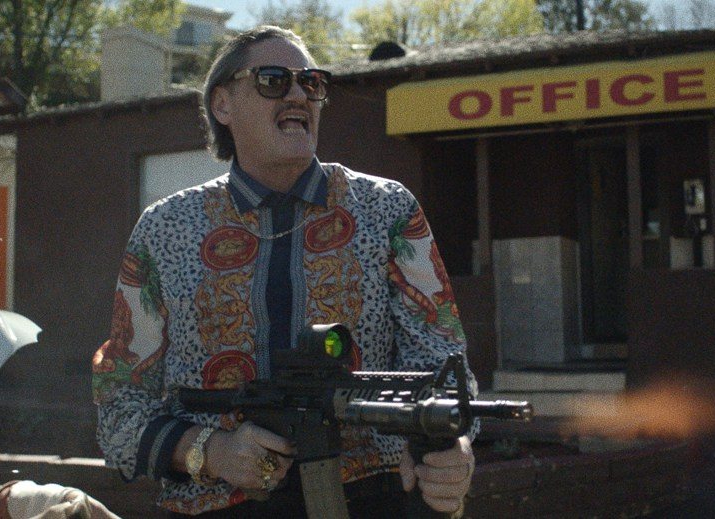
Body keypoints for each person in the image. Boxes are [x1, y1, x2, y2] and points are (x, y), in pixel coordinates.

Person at [92, 25, 478, 517]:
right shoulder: (165, 228)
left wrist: (450, 450)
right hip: (218, 507)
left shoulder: (387, 210)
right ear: (223, 104)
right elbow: (121, 405)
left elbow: (443, 359)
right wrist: (208, 451)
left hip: (375, 500)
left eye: (311, 82)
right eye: (273, 80)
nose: (298, 94)